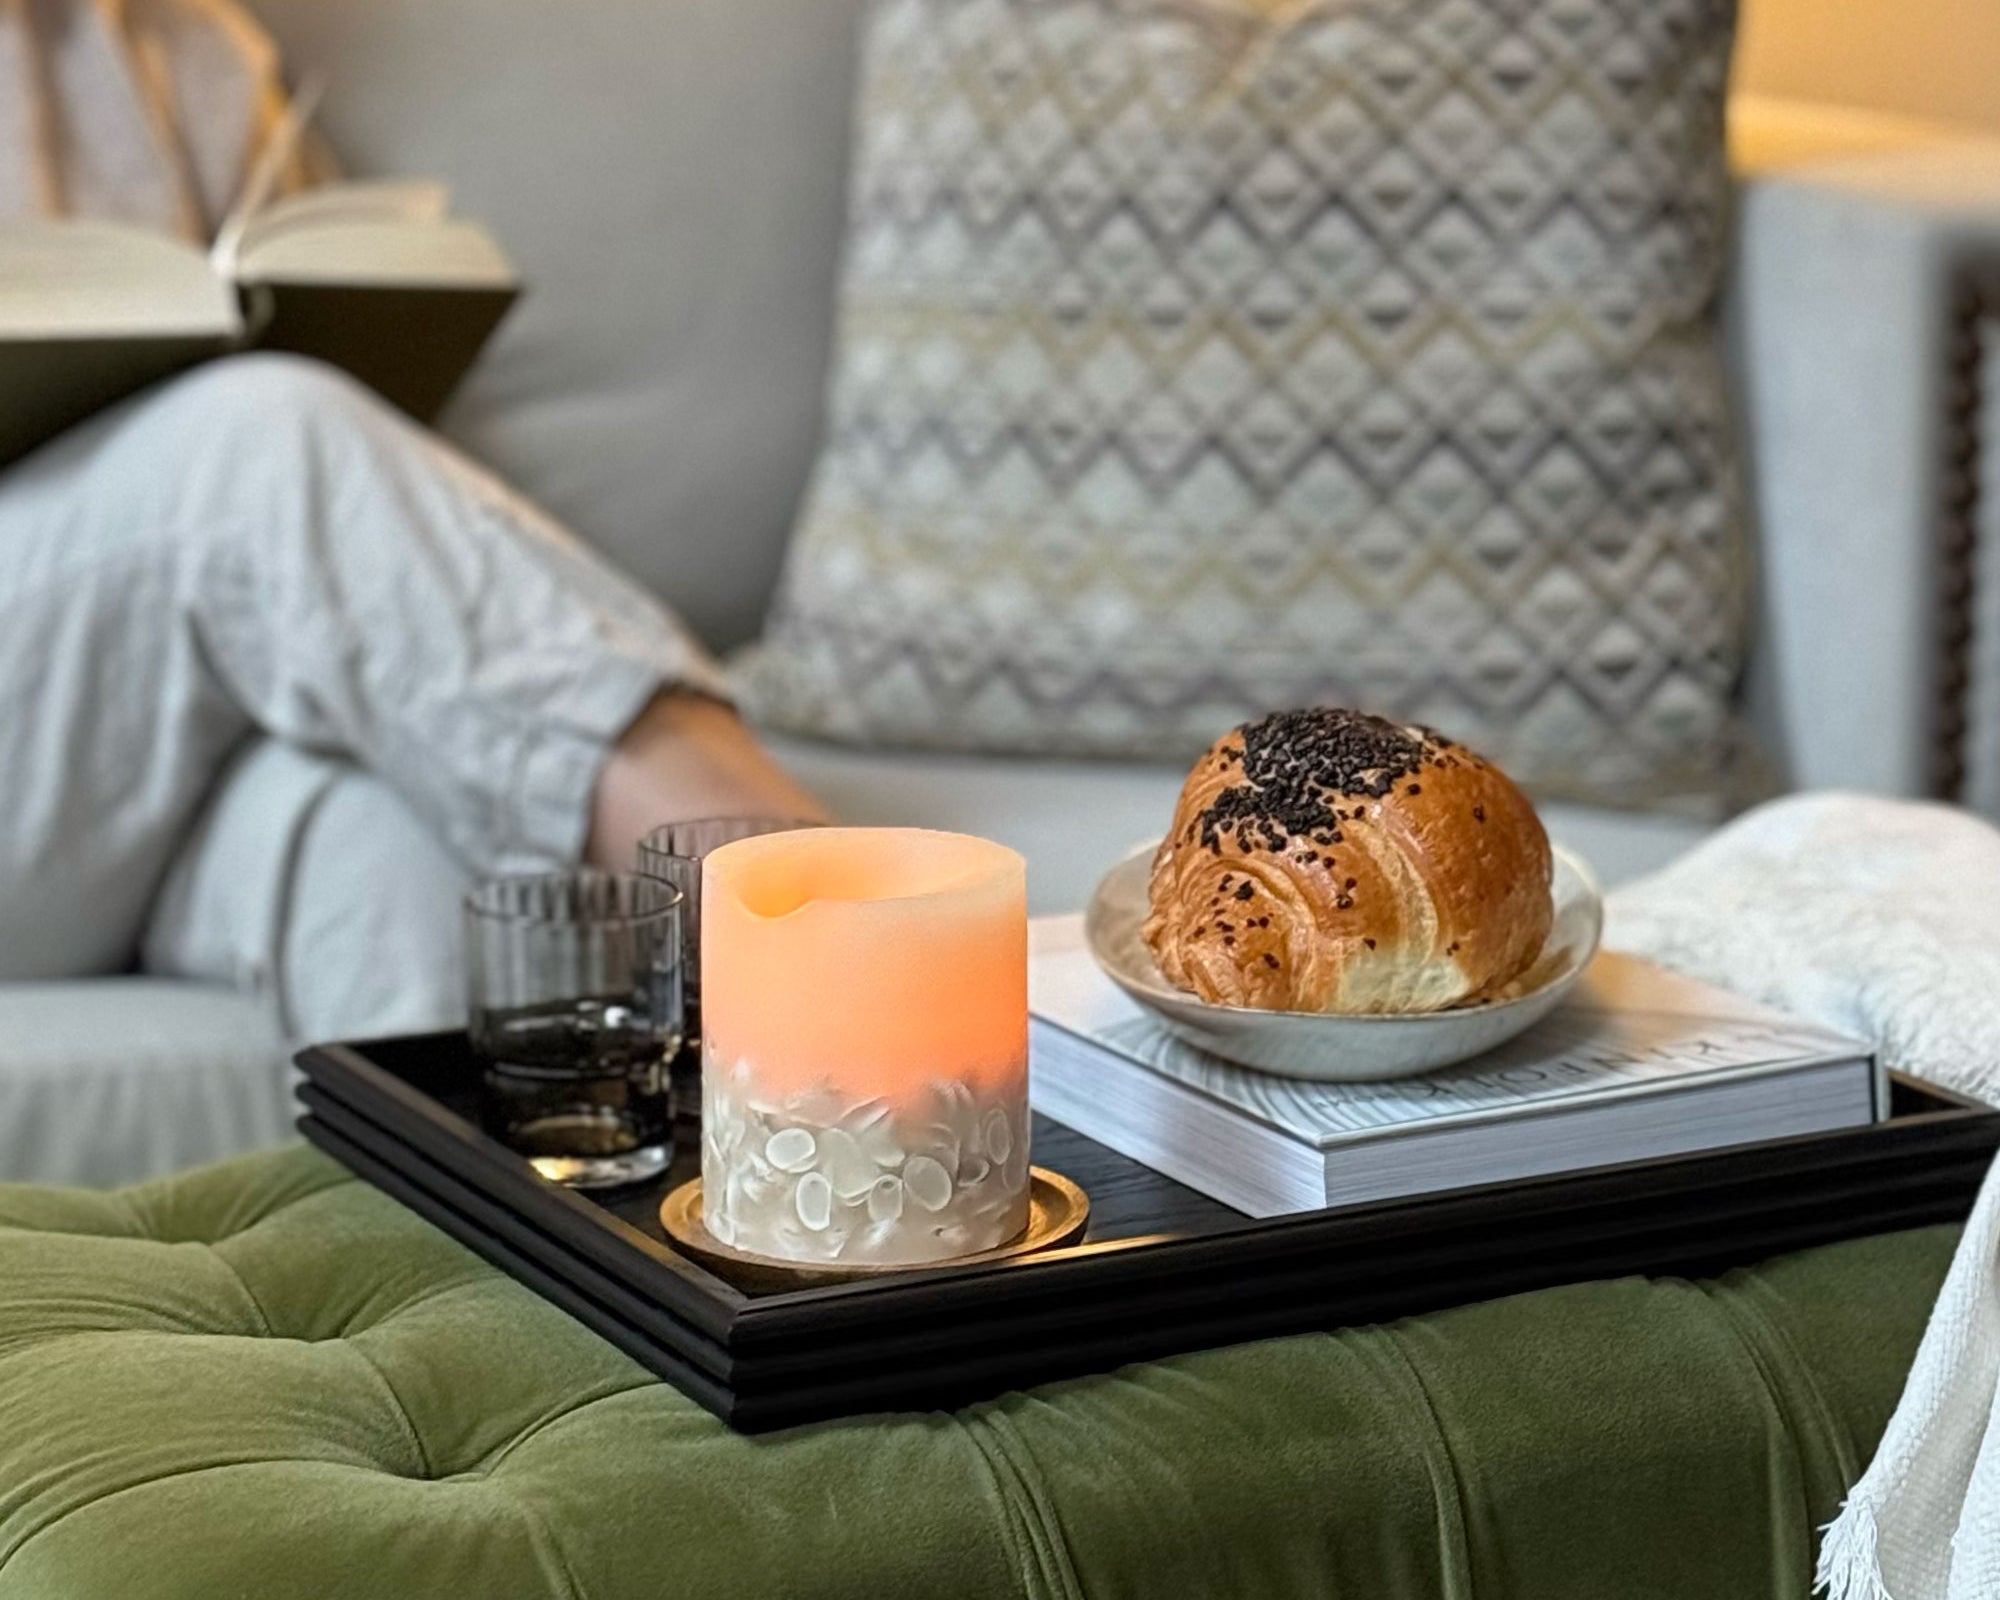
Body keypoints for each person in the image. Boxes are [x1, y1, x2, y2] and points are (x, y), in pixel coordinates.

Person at [1, 0, 824, 1042]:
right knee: (262, 438)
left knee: (402, 865)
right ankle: (812, 909)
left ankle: (803, 1148)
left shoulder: (179, 43)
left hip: (145, 772)